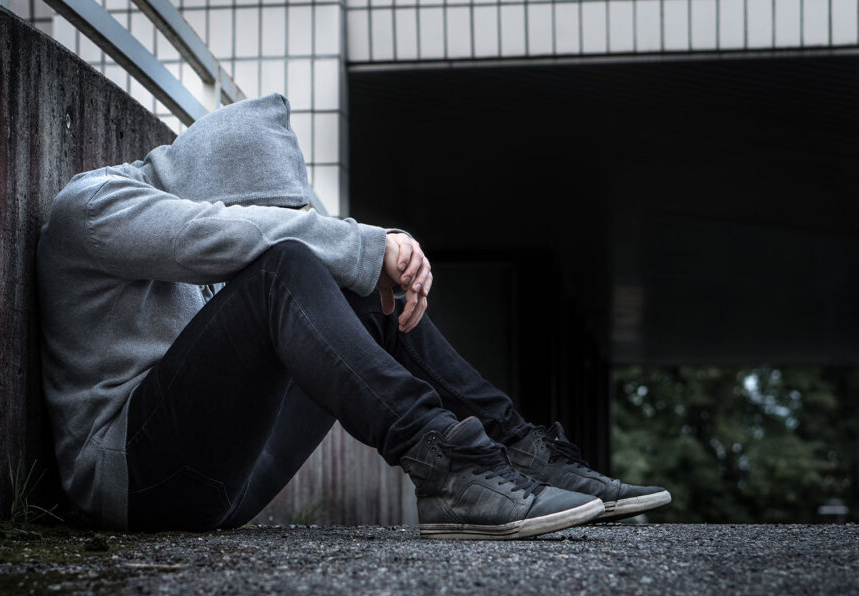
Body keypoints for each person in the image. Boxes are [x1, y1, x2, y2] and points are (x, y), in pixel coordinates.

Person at [37, 93, 670, 540]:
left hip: (225, 488)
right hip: (127, 481)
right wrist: (366, 245)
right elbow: (228, 234)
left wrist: (378, 253)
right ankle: (445, 469)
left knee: (363, 294)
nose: (274, 221)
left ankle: (516, 449)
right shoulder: (94, 205)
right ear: (210, 181)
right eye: (262, 210)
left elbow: (279, 244)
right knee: (284, 266)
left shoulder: (195, 230)